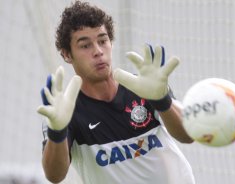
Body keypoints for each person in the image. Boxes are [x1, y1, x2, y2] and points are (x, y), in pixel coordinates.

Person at [37, 1, 195, 184]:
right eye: (85, 45)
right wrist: (57, 131)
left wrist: (162, 100)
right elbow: (55, 176)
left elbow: (188, 135)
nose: (98, 51)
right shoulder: (65, 112)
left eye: (102, 41)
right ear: (66, 54)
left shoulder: (145, 86)